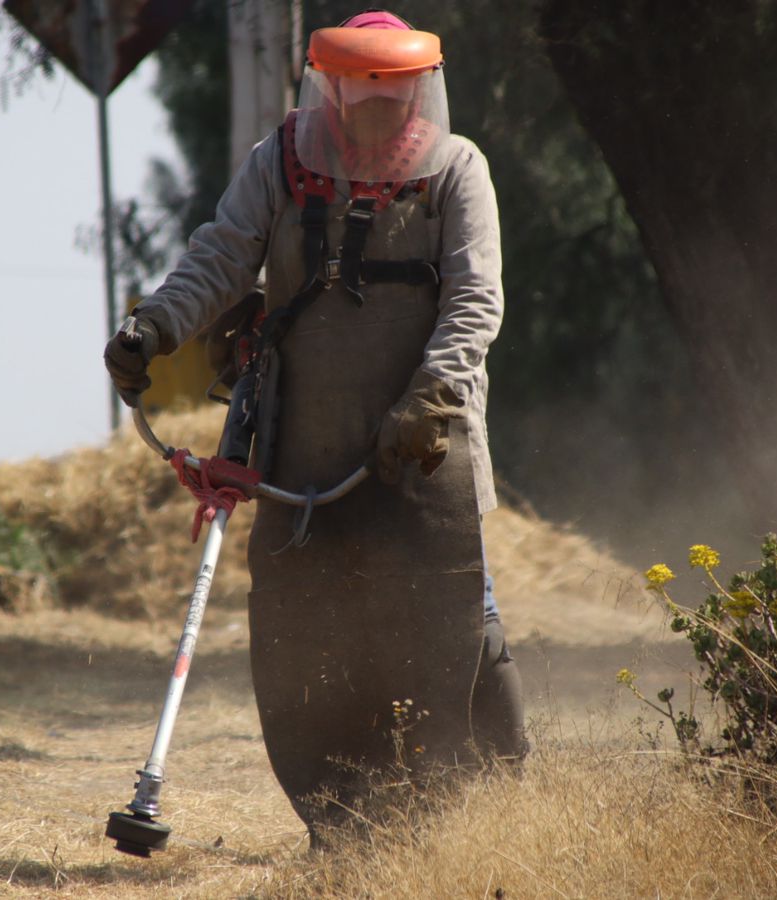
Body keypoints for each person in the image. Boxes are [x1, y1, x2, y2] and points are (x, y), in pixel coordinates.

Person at [104, 8, 525, 837]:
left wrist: (427, 399)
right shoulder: (282, 162)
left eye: (396, 97)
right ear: (328, 91)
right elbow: (222, 255)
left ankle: (503, 808)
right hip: (302, 458)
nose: (380, 114)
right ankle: (341, 829)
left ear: (420, 93)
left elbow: (476, 303)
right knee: (305, 645)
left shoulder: (455, 172)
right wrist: (151, 327)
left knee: (459, 634)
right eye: (364, 98)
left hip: (422, 457)